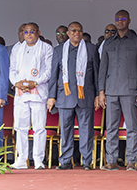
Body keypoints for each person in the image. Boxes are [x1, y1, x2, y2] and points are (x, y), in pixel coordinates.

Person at [97, 9, 137, 171]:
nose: (120, 21)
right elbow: (102, 69)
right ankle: (111, 160)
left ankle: (131, 160)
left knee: (132, 127)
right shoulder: (108, 43)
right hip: (111, 90)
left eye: (123, 18)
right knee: (111, 127)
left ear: (129, 21)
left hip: (130, 90)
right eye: (117, 18)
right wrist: (101, 92)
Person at [47, 21, 99, 170]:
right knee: (65, 130)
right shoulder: (59, 50)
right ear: (68, 33)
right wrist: (52, 96)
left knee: (86, 131)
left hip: (86, 96)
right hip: (65, 96)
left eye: (79, 30)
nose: (77, 33)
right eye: (73, 30)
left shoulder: (91, 49)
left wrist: (97, 94)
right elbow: (53, 75)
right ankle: (65, 161)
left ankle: (87, 161)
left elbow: (97, 73)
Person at [9, 22, 52, 170]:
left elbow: (48, 71)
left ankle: (38, 160)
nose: (28, 34)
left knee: (39, 127)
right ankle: (21, 158)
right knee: (20, 127)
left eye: (31, 31)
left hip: (38, 92)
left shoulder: (46, 48)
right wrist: (17, 83)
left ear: (38, 32)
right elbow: (12, 69)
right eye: (25, 32)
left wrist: (35, 82)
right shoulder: (17, 48)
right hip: (21, 94)